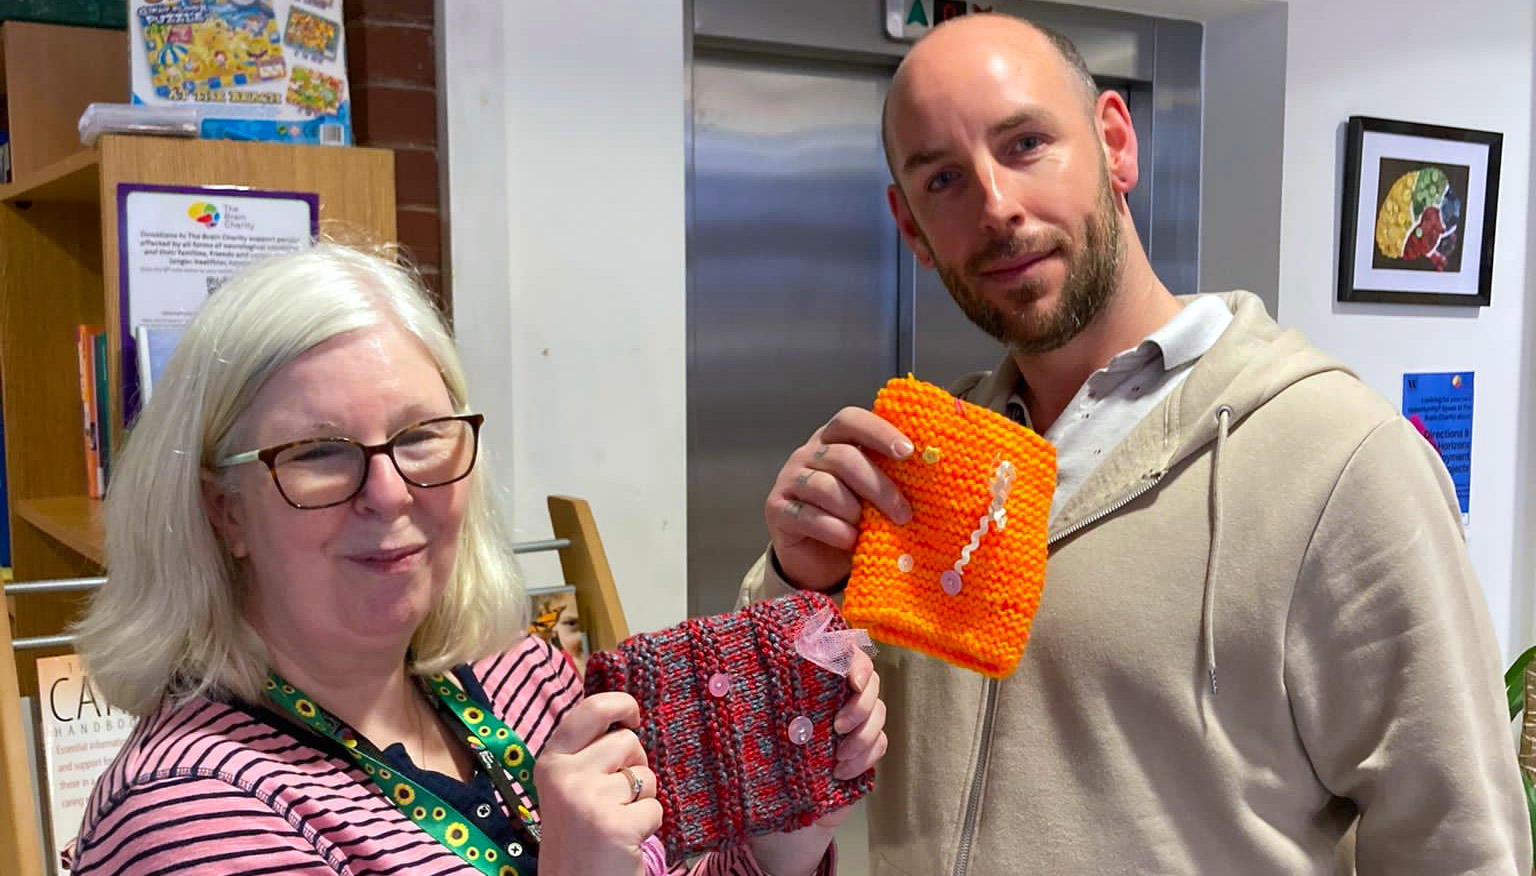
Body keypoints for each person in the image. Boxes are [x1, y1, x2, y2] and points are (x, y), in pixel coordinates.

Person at [738, 13, 1529, 875]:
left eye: (1026, 143)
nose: (996, 205)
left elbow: (1461, 848)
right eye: (943, 181)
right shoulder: (911, 475)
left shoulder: (1344, 462)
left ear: (1115, 142)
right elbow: (775, 772)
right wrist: (793, 582)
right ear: (910, 229)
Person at [70, 244, 887, 876]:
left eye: (420, 436)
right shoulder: (189, 817)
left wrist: (780, 844)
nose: (388, 492)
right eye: (320, 452)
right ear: (225, 510)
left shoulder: (518, 676)